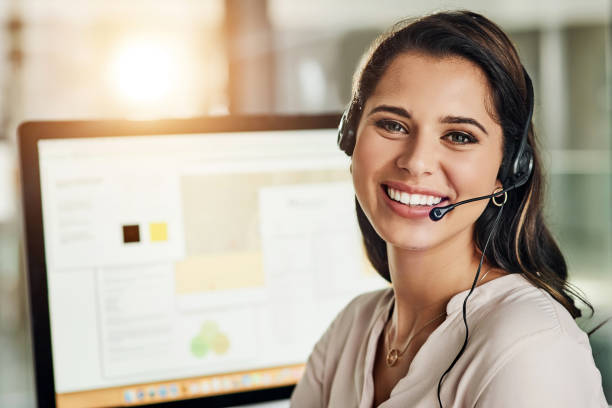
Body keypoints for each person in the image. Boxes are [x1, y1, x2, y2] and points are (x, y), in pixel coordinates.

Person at [290, 10, 608, 408]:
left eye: (459, 135)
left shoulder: (531, 347)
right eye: (392, 125)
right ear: (350, 138)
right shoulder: (352, 329)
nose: (416, 161)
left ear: (507, 171)